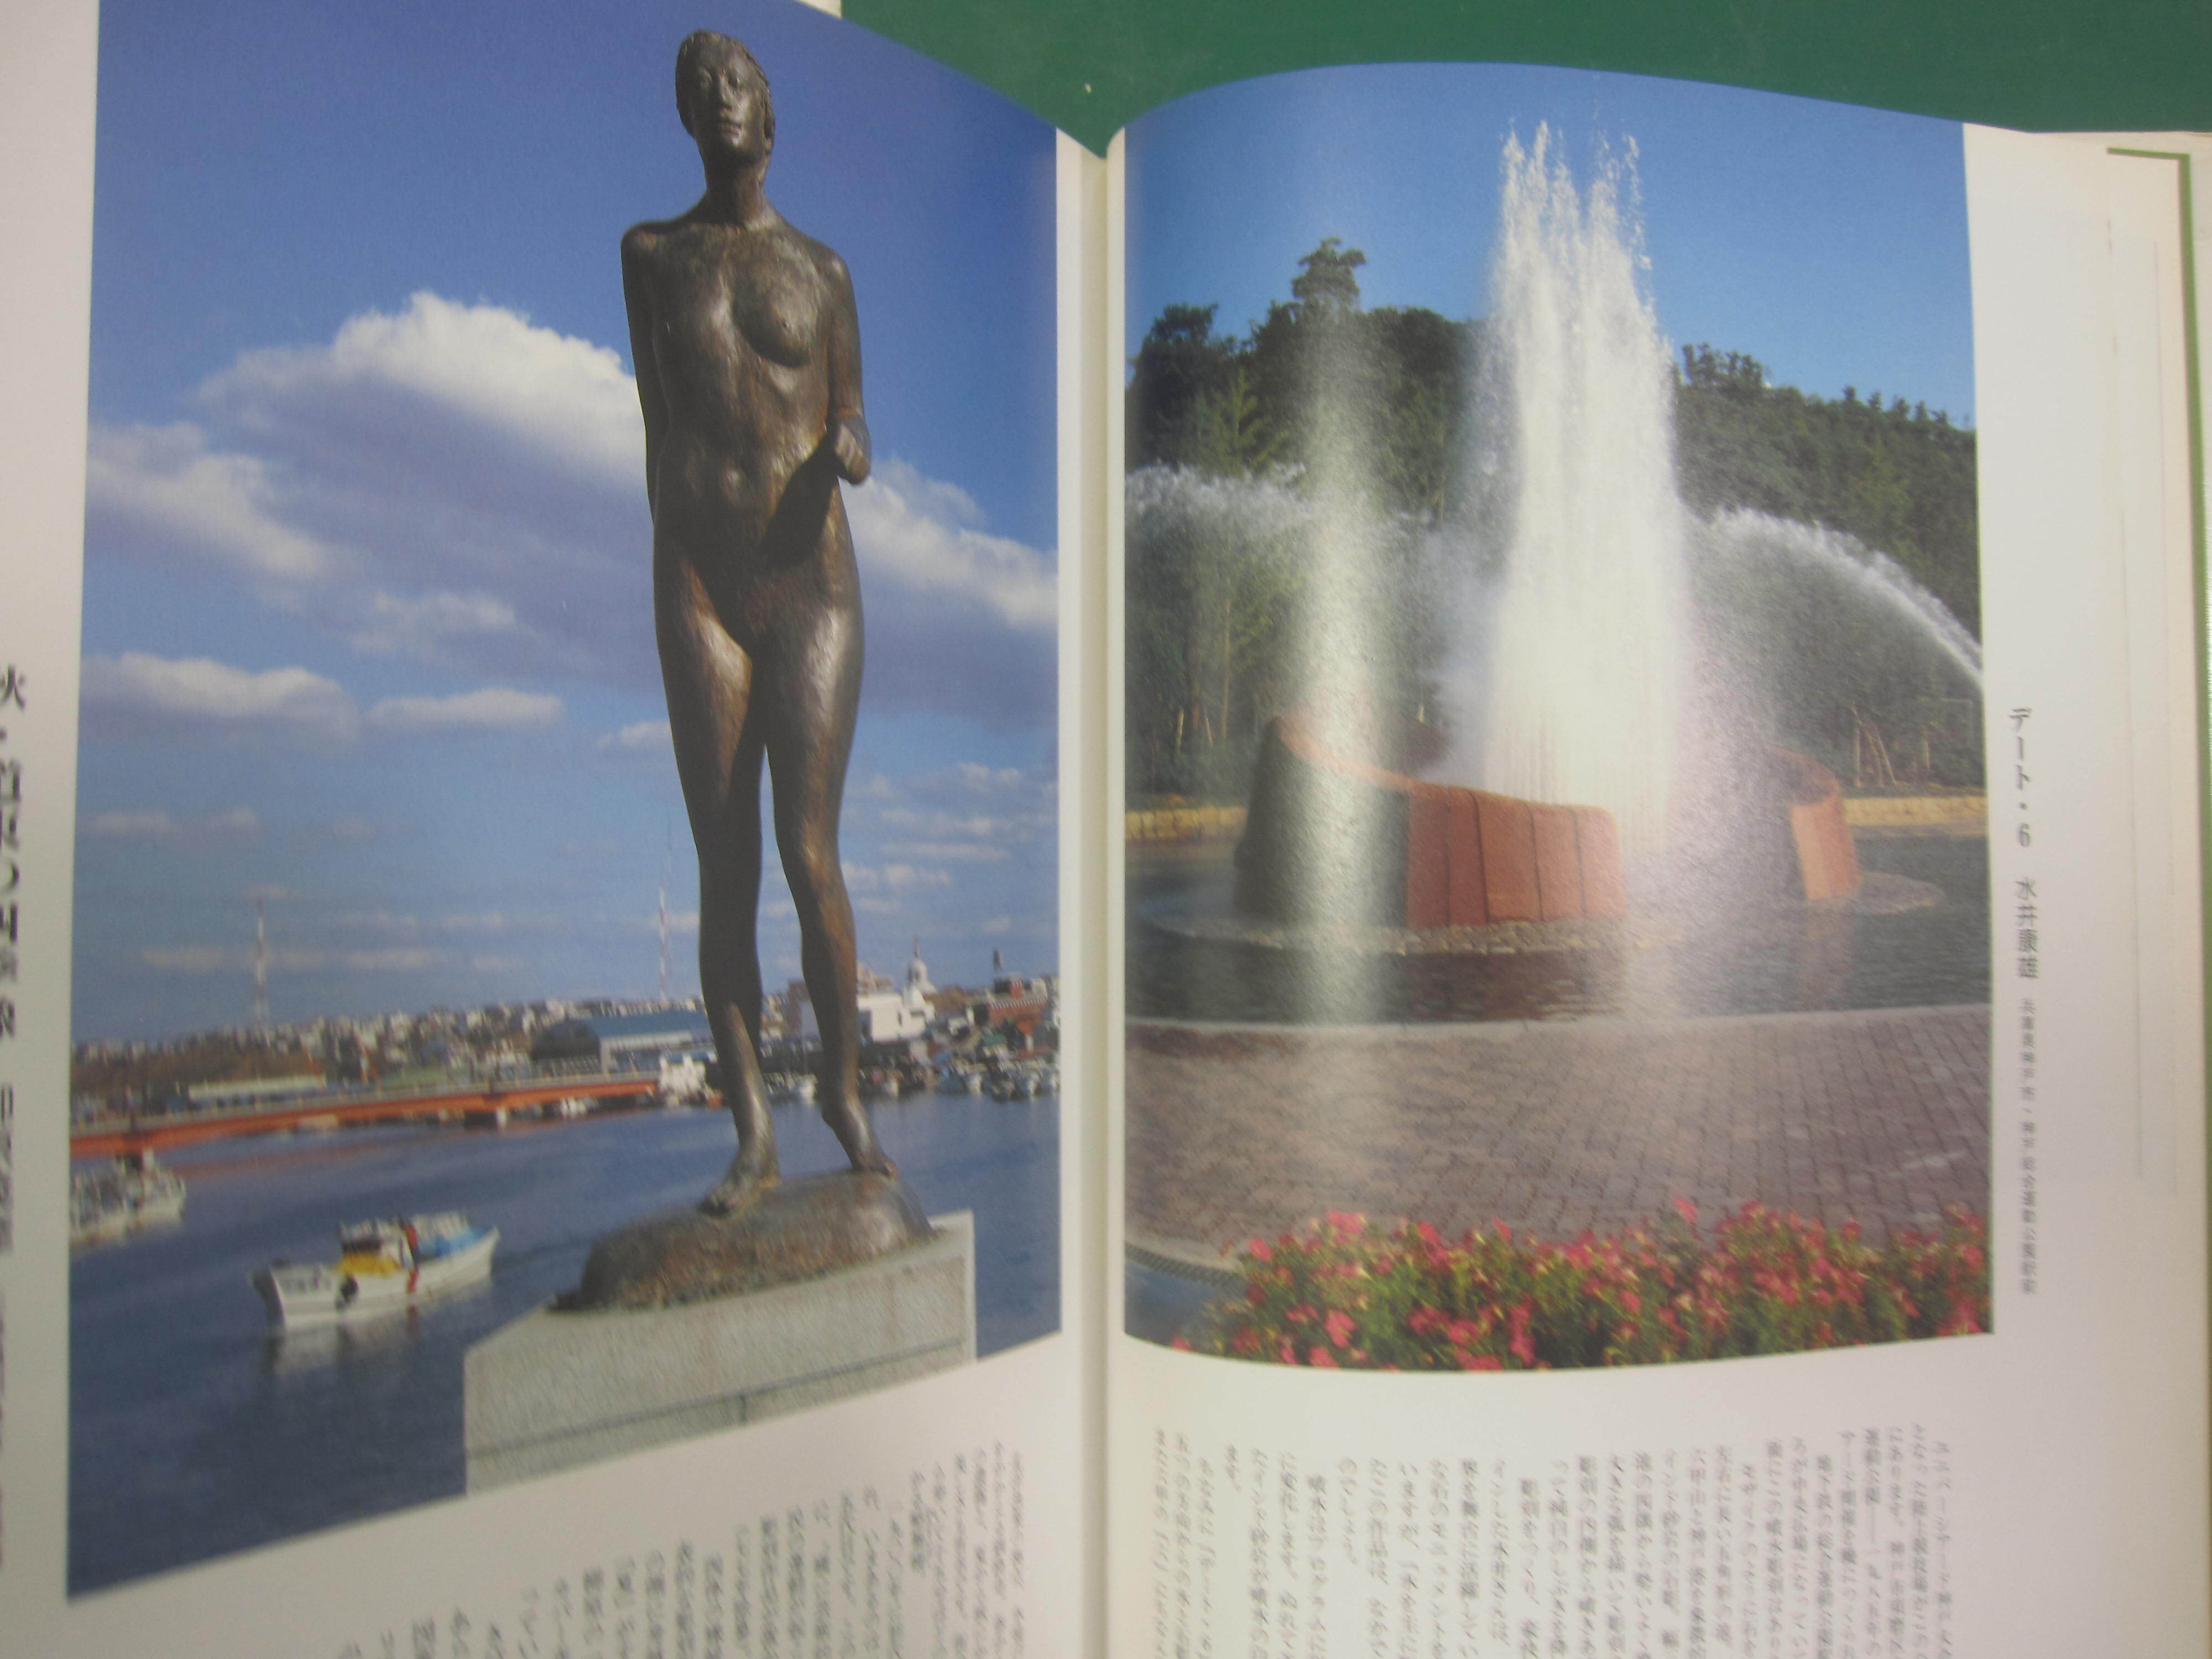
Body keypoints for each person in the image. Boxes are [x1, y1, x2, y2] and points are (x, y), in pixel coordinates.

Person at [621, 30, 892, 1214]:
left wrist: (850, 442)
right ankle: (752, 1133)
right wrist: (676, 550)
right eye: (701, 90)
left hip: (807, 579)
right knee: (721, 864)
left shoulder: (822, 269)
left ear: (769, 118)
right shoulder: (650, 256)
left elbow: (854, 411)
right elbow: (654, 418)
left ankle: (842, 1088)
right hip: (700, 582)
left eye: (737, 85)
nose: (719, 100)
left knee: (807, 850)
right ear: (686, 119)